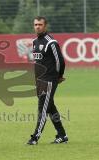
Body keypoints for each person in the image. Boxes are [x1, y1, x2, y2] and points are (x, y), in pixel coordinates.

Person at [27, 16, 68, 145]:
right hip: (39, 80)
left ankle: (35, 137)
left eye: (40, 24)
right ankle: (62, 135)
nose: (37, 27)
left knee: (43, 108)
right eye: (35, 24)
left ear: (45, 26)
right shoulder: (35, 42)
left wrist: (59, 76)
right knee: (50, 107)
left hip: (49, 80)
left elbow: (60, 61)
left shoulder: (51, 42)